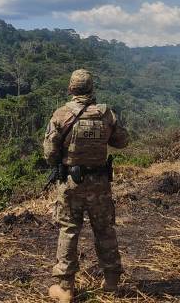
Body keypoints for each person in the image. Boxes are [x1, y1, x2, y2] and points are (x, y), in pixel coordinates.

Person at [43, 68, 129, 302]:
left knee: (69, 230)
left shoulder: (61, 115)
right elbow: (122, 141)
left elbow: (50, 153)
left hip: (72, 183)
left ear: (71, 89)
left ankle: (66, 288)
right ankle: (111, 282)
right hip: (100, 183)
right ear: (91, 89)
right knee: (104, 229)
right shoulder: (106, 114)